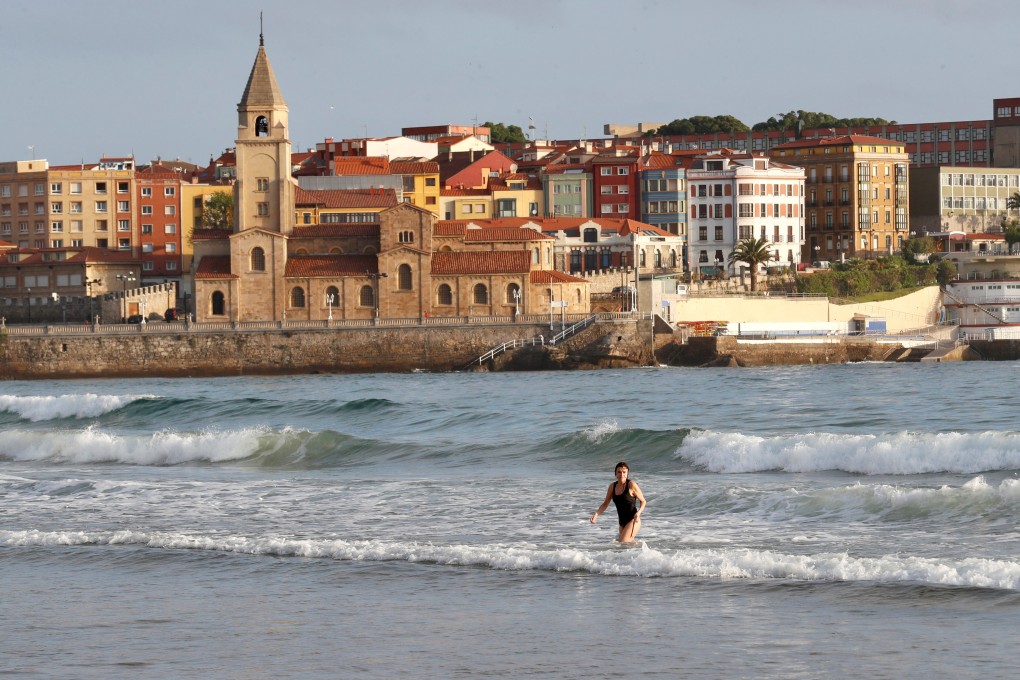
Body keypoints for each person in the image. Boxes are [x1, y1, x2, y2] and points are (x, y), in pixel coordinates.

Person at [590, 461, 646, 542]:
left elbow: (643, 501)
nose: (622, 474)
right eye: (619, 472)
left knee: (623, 542)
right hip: (622, 523)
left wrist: (639, 513)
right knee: (625, 546)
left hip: (633, 520)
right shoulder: (612, 487)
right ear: (615, 474)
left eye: (624, 472)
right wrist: (596, 515)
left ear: (627, 474)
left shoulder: (631, 485)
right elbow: (605, 504)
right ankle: (641, 553)